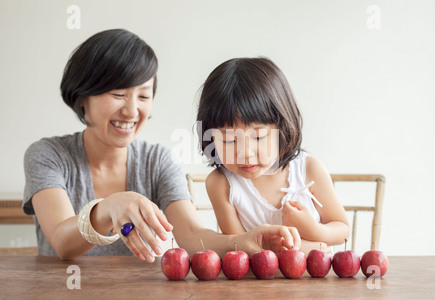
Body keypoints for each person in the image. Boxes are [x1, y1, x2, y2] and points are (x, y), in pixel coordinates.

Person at [23, 30, 300, 263]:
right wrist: (108, 208)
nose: (132, 111)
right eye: (118, 94)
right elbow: (62, 241)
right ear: (82, 97)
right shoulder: (48, 155)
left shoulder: (158, 161)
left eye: (144, 95)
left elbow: (191, 235)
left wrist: (242, 242)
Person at [196, 57, 350, 254]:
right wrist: (314, 246)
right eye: (229, 140)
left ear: (283, 127)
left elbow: (342, 230)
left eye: (259, 137)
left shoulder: (308, 170)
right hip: (256, 283)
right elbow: (243, 249)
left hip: (313, 282)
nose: (246, 154)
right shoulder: (221, 184)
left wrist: (314, 230)